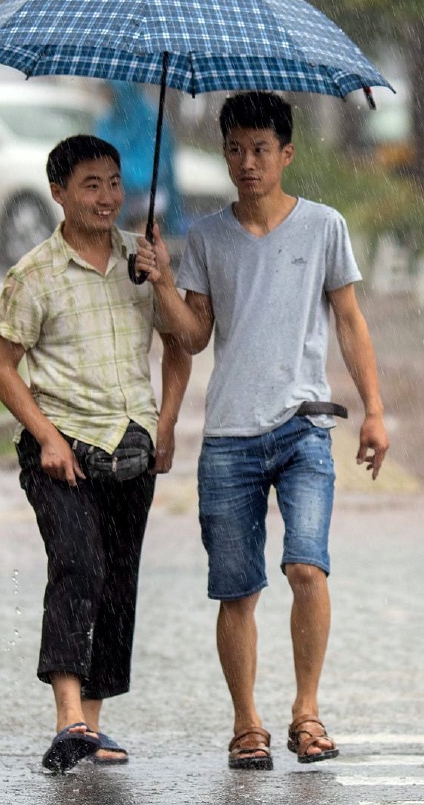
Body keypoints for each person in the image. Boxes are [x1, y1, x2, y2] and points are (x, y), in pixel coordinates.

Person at [134, 91, 388, 770]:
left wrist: (374, 409)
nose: (248, 163)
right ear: (224, 154)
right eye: (236, 150)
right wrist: (161, 281)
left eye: (261, 150)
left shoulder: (324, 226)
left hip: (305, 426)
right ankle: (247, 722)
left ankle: (307, 712)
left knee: (307, 565)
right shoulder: (209, 238)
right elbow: (192, 335)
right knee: (236, 587)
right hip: (229, 437)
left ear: (287, 154)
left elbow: (349, 320)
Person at [0, 135, 192, 773]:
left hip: (131, 446)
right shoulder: (33, 275)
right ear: (58, 192)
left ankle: (92, 727)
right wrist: (46, 436)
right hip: (63, 448)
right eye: (90, 185)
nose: (106, 197)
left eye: (113, 183)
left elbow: (186, 342)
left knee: (118, 583)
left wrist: (167, 421)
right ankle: (68, 715)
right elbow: (1, 369)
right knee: (77, 562)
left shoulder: (143, 260)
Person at [95, 82, 183, 236]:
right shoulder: (107, 121)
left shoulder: (150, 120)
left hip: (146, 204)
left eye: (113, 93)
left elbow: (155, 169)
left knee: (141, 248)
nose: (109, 98)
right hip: (116, 201)